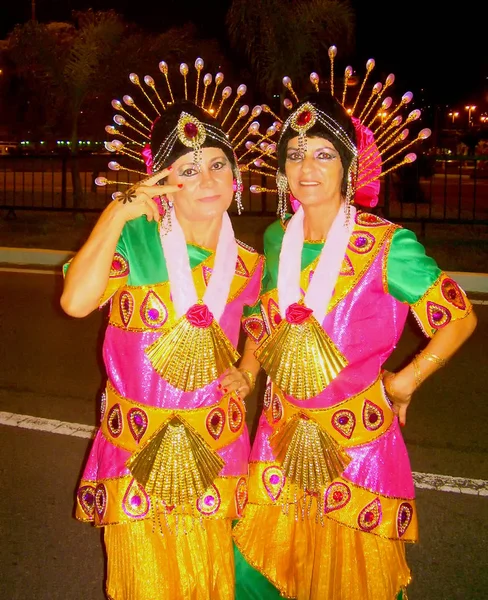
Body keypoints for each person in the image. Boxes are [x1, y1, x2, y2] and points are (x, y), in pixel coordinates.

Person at [233, 86, 477, 599]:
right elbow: (262, 319)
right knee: (265, 569)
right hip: (278, 436)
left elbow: (458, 318)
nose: (307, 168)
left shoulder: (388, 245)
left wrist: (407, 380)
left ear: (349, 165)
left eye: (324, 154)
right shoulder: (279, 237)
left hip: (354, 447)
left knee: (348, 579)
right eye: (295, 155)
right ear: (281, 169)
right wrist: (249, 370)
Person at [61, 69, 264, 599]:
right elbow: (76, 301)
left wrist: (247, 369)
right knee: (142, 584)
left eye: (219, 165)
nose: (209, 180)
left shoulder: (248, 264)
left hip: (217, 446)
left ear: (236, 177)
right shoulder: (135, 242)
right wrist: (116, 211)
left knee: (210, 581)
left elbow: (258, 324)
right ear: (163, 181)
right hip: (136, 449)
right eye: (189, 170)